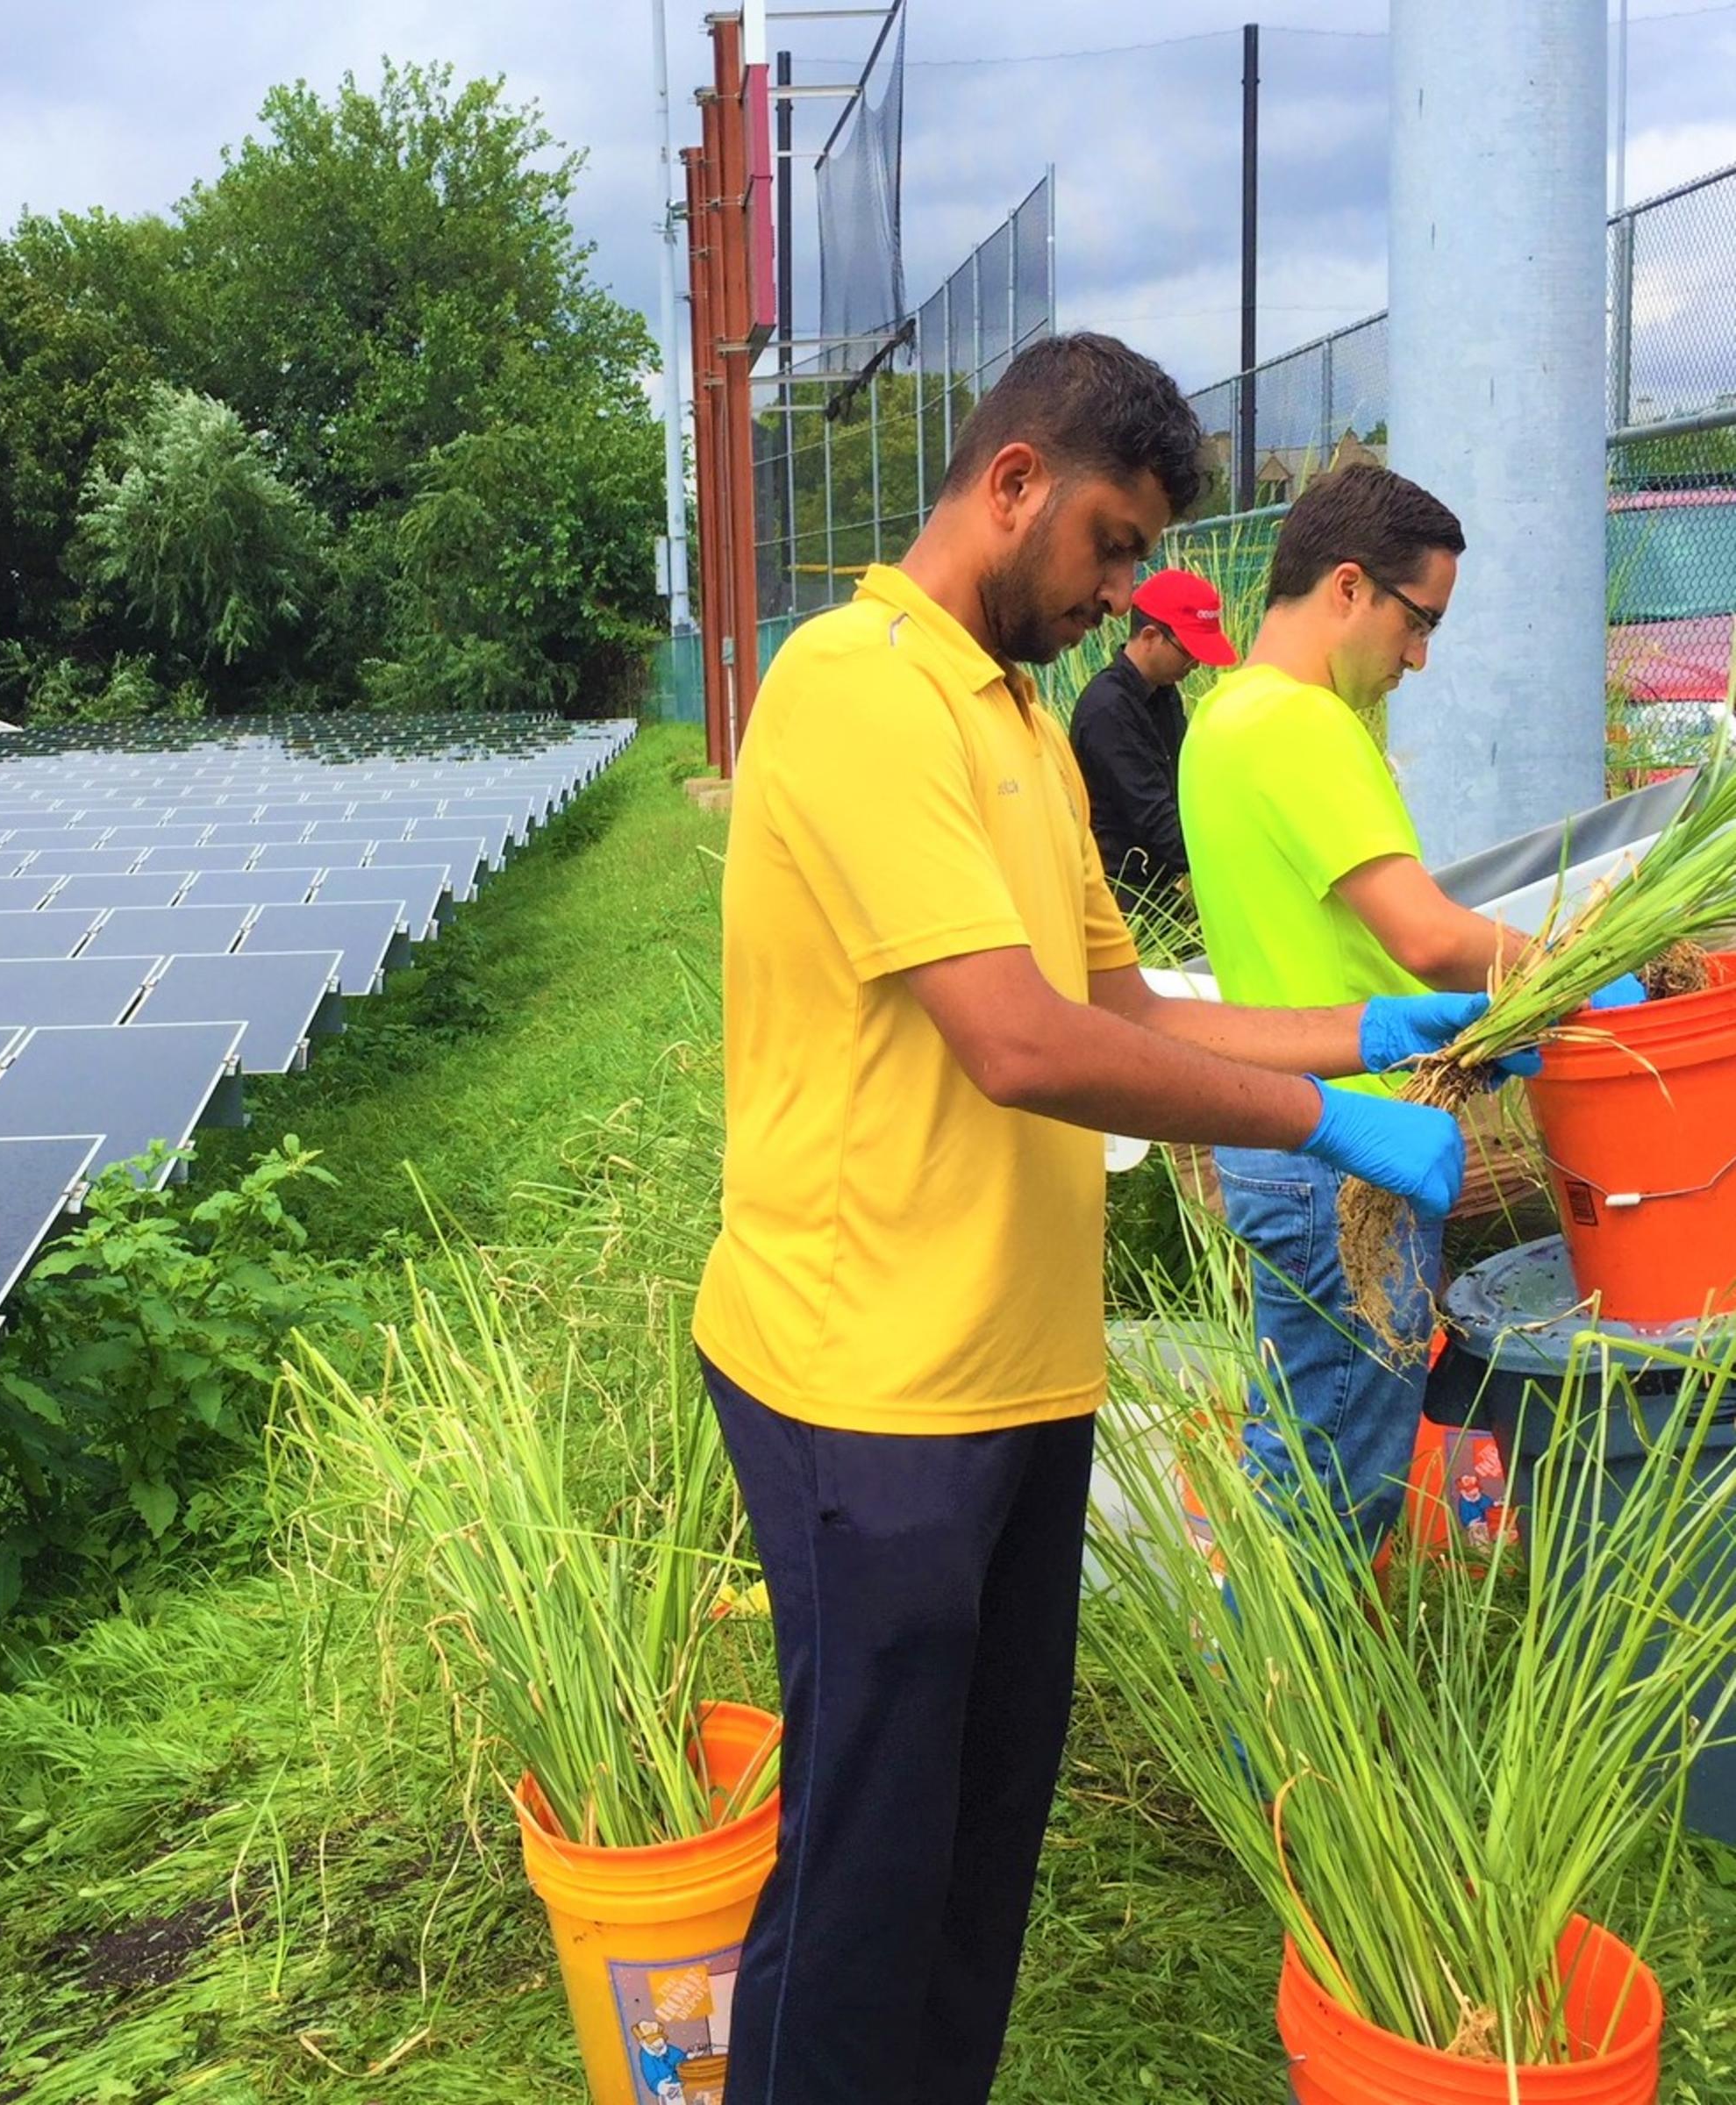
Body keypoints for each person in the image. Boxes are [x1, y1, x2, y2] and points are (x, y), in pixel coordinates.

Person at [692, 334, 1498, 2105]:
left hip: (1021, 1374)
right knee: (865, 1869)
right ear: (1012, 484)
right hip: (868, 1389)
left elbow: (1124, 1010)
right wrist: (1324, 1119)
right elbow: (1014, 1038)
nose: (1129, 592)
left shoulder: (1020, 729)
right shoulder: (853, 689)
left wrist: (1362, 1028)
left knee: (980, 1847)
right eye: (1115, 545)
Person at [1179, 462, 1643, 1552]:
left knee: (1303, 1446)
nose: (1421, 657)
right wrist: (1573, 972)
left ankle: (1268, 1691)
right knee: (1339, 1485)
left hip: (1292, 1132)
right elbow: (1427, 936)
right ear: (1349, 587)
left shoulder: (1225, 720)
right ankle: (1285, 1723)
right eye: (1419, 621)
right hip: (1346, 1154)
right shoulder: (1299, 726)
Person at [1067, 567, 1237, 917]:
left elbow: (1188, 784)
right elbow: (1156, 820)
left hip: (1157, 886)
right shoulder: (1107, 710)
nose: (1195, 664)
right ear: (1149, 636)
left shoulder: (1162, 695)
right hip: (1117, 895)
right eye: (1188, 651)